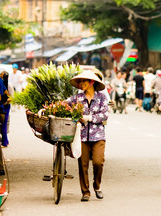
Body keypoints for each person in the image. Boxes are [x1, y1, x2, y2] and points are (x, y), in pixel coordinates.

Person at [66, 70, 109, 202]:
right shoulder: (76, 98)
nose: (81, 84)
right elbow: (64, 105)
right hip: (81, 135)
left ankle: (97, 186)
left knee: (98, 162)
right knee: (83, 164)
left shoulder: (102, 98)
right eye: (80, 82)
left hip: (98, 135)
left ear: (91, 82)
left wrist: (89, 117)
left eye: (84, 81)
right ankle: (85, 192)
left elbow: (105, 115)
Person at [0, 71, 14, 148]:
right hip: (0, 105)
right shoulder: (0, 85)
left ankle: (4, 142)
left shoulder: (9, 86)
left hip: (6, 106)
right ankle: (5, 141)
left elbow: (12, 97)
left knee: (4, 124)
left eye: (3, 76)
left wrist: (5, 100)